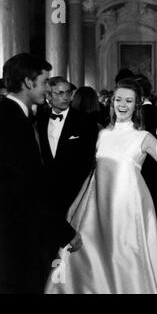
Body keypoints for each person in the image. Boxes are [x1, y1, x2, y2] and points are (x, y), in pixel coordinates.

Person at [45, 78, 157, 294]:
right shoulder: (102, 134)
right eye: (118, 100)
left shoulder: (144, 137)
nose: (122, 105)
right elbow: (93, 174)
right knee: (92, 260)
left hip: (128, 211)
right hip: (97, 210)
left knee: (127, 259)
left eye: (129, 101)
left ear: (137, 105)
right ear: (112, 102)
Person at [0, 53, 80, 294]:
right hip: (17, 234)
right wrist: (65, 231)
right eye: (45, 82)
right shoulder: (13, 122)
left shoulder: (12, 115)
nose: (48, 88)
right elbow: (28, 187)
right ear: (28, 82)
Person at [37, 77, 99, 263]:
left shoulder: (85, 122)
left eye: (68, 93)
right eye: (60, 93)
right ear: (49, 96)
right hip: (45, 197)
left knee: (74, 254)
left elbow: (88, 162)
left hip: (73, 195)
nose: (65, 97)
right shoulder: (38, 121)